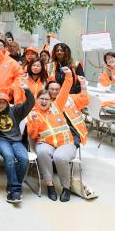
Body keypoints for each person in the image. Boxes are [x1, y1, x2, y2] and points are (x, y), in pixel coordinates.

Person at [30, 72, 89, 202]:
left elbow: (66, 88)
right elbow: (33, 136)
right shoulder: (33, 114)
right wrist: (34, 122)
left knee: (60, 157)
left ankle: (66, 188)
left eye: (47, 99)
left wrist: (69, 76)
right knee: (42, 152)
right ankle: (50, 185)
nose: (44, 101)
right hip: (45, 143)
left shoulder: (57, 105)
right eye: (41, 99)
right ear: (37, 100)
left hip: (66, 142)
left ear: (51, 100)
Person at [0, 83, 35, 204]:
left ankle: (13, 188)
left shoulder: (15, 111)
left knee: (24, 159)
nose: (0, 104)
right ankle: (15, 190)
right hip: (0, 141)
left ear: (8, 103)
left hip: (16, 141)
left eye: (3, 102)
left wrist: (26, 90)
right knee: (9, 157)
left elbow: (30, 103)